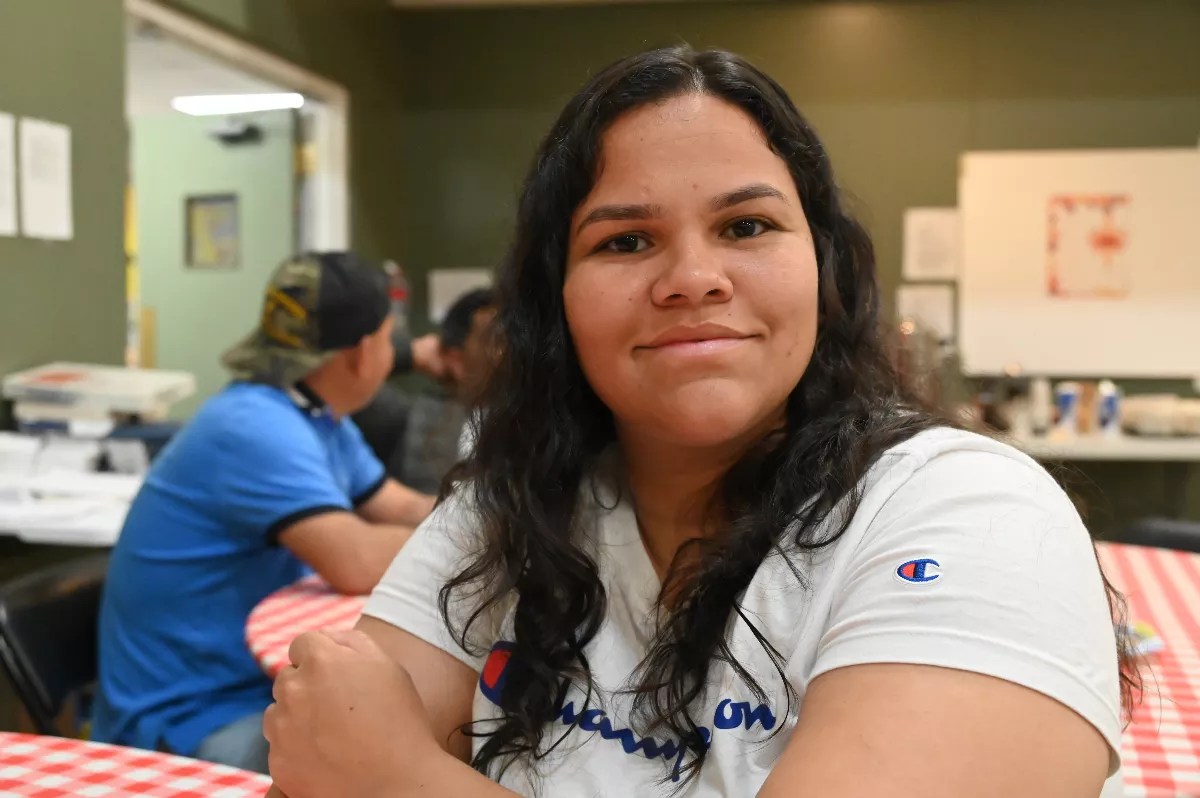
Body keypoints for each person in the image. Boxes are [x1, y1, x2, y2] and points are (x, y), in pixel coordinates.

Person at [263, 49, 1138, 798]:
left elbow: (363, 768)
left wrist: (407, 780)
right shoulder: (510, 508)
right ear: (554, 301)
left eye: (746, 225)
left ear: (824, 268)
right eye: (626, 241)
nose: (693, 276)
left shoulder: (969, 512)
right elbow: (326, 752)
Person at [94, 251, 435, 774]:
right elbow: (356, 560)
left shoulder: (314, 416)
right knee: (391, 751)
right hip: (190, 717)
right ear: (364, 352)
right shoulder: (255, 426)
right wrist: (474, 533)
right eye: (389, 338)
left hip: (246, 682)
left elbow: (401, 504)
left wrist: (487, 509)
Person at [354, 287, 497, 493]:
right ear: (454, 359)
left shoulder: (542, 419)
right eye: (496, 340)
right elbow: (330, 369)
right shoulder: (404, 419)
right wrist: (411, 353)